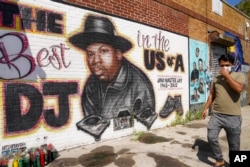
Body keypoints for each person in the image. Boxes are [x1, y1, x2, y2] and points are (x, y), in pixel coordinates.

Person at [68, 14, 157, 140]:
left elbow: (145, 130)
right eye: (90, 54)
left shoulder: (139, 85)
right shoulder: (91, 85)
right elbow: (92, 130)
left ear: (118, 54)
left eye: (103, 51)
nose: (95, 61)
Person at [201, 54, 245, 167]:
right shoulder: (216, 79)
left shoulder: (239, 75)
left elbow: (239, 89)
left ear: (232, 64)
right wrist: (205, 108)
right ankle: (219, 159)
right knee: (211, 136)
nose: (224, 67)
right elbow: (212, 95)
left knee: (234, 145)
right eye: (222, 65)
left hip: (233, 117)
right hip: (217, 115)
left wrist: (227, 76)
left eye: (227, 65)